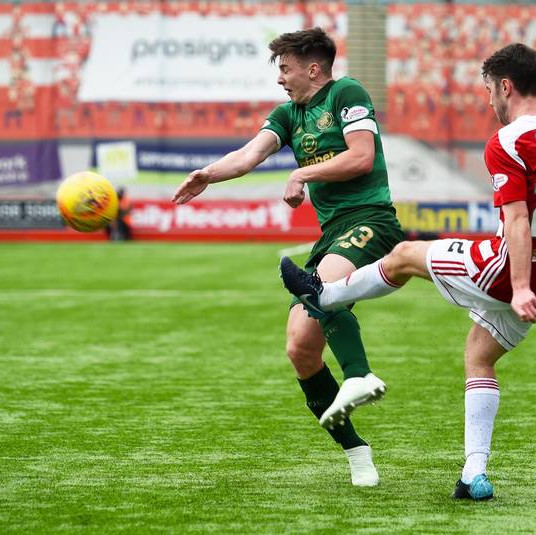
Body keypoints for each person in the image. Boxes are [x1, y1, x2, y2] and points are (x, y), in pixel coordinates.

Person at [281, 43, 536, 500]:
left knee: (405, 255)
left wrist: (518, 286)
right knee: (479, 356)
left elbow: (516, 221)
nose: (489, 100)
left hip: (507, 273)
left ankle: (323, 295)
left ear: (506, 86)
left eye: (490, 89)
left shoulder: (508, 142)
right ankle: (475, 473)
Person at [172, 28, 404, 487]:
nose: (280, 78)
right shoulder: (287, 113)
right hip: (332, 232)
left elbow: (361, 157)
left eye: (285, 68)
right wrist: (208, 175)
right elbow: (248, 155)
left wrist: (300, 172)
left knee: (320, 288)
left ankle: (359, 375)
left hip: (371, 221)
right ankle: (357, 452)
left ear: (312, 68)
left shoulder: (347, 92)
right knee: (300, 347)